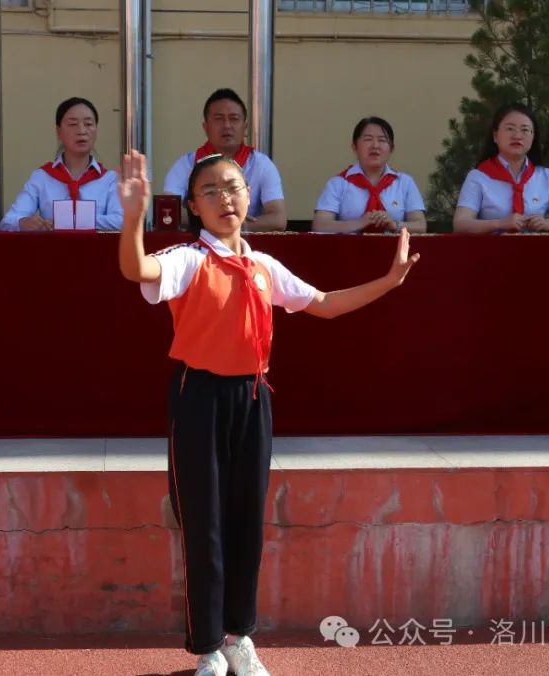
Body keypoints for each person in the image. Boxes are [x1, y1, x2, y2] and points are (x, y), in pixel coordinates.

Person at [118, 150, 421, 676]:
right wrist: (132, 217)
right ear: (194, 205)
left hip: (254, 399)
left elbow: (322, 302)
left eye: (232, 186)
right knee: (205, 527)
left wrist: (389, 283)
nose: (224, 198)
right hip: (200, 400)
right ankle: (209, 646)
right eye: (209, 191)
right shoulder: (189, 259)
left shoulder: (262, 266)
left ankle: (240, 637)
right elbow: (136, 269)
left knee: (245, 526)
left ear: (249, 195)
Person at [162, 88, 287, 232]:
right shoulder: (185, 165)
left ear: (245, 127)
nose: (227, 125)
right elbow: (168, 212)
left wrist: (234, 224)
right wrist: (227, 220)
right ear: (206, 127)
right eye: (219, 119)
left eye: (234, 119)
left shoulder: (262, 165)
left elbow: (278, 219)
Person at [452, 102, 549, 234]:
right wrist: (500, 223)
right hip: (492, 251)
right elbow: (461, 224)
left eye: (525, 130)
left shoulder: (546, 177)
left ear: (533, 137)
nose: (517, 136)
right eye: (510, 128)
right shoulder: (478, 177)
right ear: (495, 136)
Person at [0, 97, 123, 231]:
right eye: (72, 124)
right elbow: (8, 221)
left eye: (88, 124)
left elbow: (121, 221)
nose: (82, 131)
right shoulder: (42, 177)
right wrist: (23, 222)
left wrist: (71, 221)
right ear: (58, 132)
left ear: (96, 130)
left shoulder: (109, 179)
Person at [312, 116, 427, 234]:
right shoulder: (338, 183)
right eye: (368, 139)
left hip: (394, 250)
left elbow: (420, 225)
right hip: (348, 250)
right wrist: (360, 223)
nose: (375, 145)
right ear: (354, 146)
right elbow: (320, 225)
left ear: (391, 148)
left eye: (382, 140)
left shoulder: (404, 183)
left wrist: (394, 224)